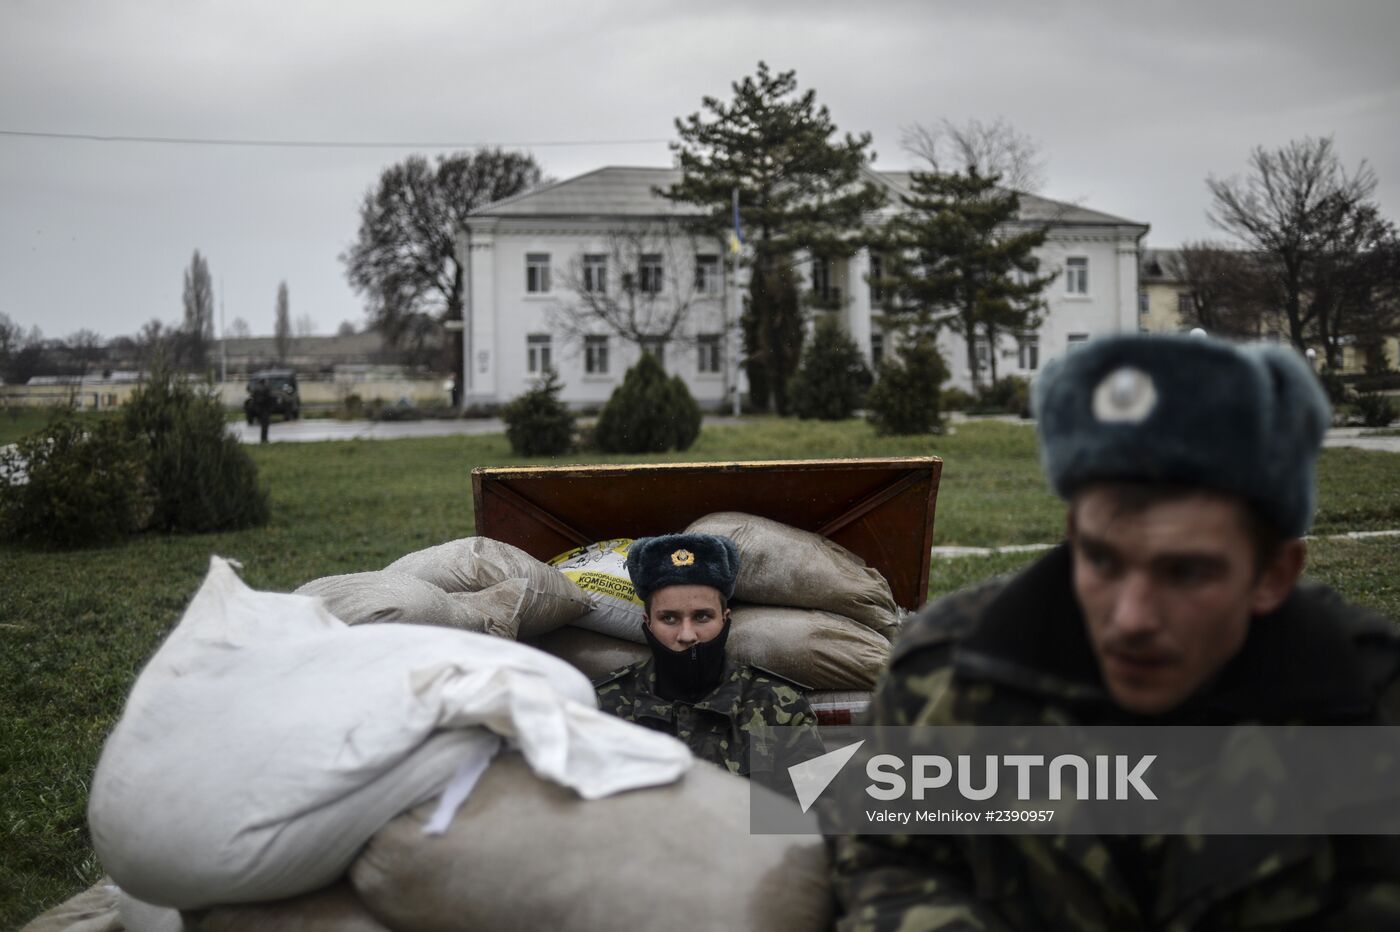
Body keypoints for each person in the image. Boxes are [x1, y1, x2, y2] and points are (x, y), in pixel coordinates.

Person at [831, 333, 1400, 930]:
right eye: (1103, 559)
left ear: (1273, 574)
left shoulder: (1370, 703)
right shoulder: (944, 679)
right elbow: (885, 854)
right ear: (1075, 533)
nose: (1131, 619)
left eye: (1185, 572)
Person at [595, 532, 824, 777]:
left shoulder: (777, 705)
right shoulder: (601, 706)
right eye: (669, 618)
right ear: (648, 623)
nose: (687, 635)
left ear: (725, 620)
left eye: (702, 617)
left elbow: (807, 808)